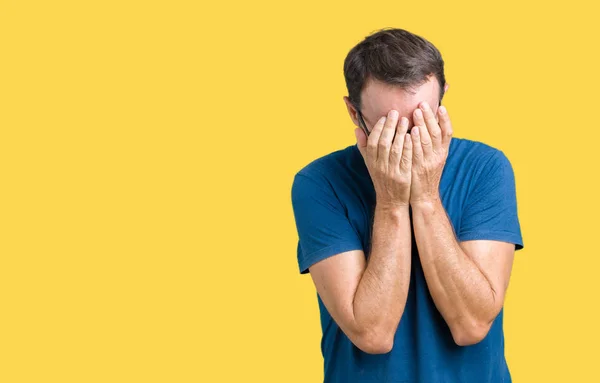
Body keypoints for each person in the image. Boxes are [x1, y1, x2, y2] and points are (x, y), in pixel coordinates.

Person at [290, 28, 524, 383]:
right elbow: (373, 333)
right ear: (355, 114)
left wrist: (426, 198)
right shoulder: (319, 182)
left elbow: (472, 324)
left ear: (442, 99)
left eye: (422, 122)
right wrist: (391, 201)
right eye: (390, 128)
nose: (408, 143)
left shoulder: (486, 168)